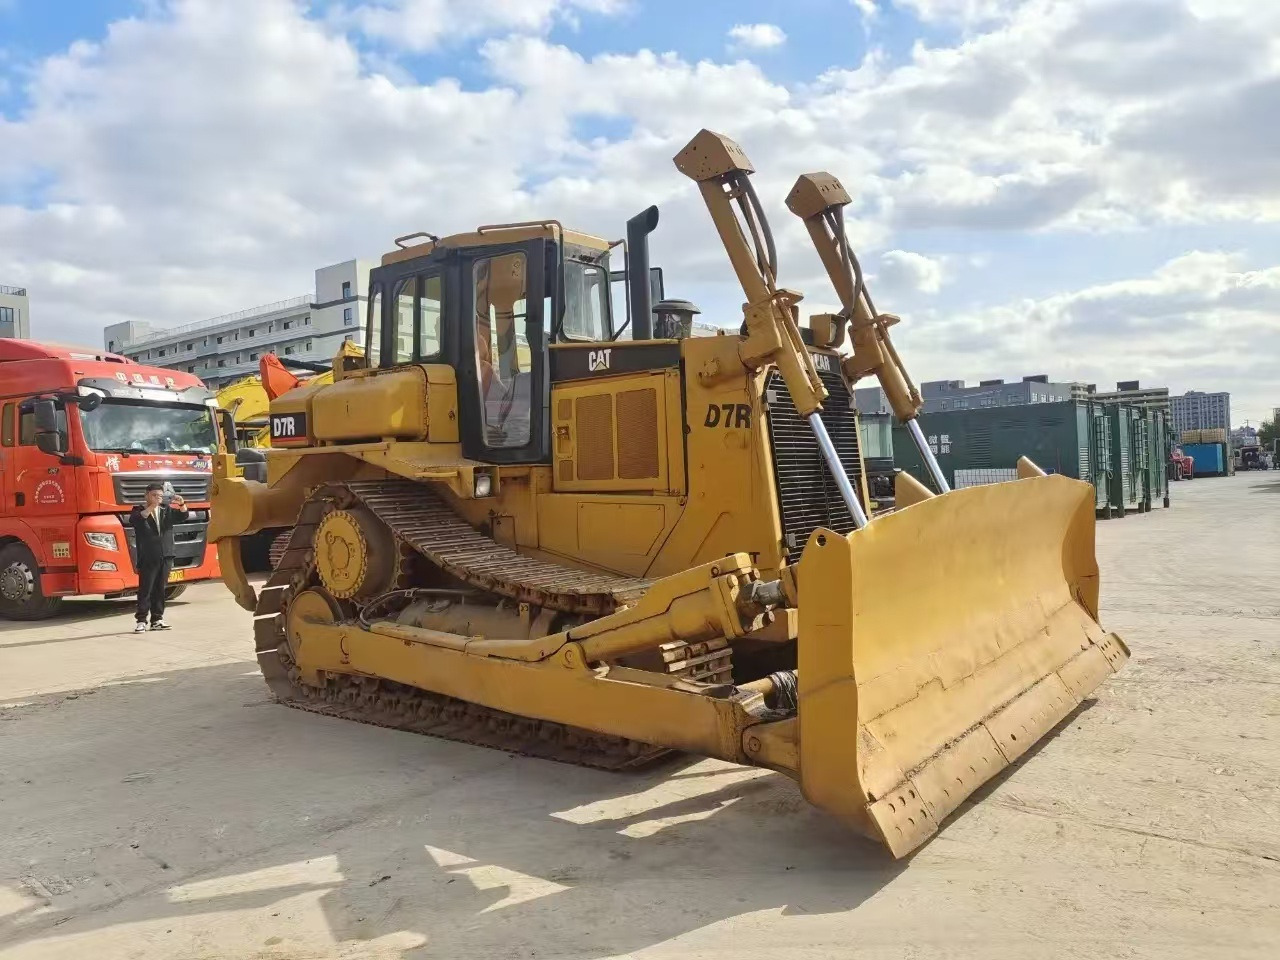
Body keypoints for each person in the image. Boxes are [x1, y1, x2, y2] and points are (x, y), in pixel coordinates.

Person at [129, 482, 187, 632]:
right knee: (146, 589)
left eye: (160, 496)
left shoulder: (166, 510)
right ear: (147, 495)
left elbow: (183, 516)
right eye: (154, 495)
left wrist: (182, 504)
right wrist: (151, 507)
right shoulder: (138, 510)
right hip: (148, 557)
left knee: (161, 589)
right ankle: (141, 620)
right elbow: (136, 521)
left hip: (166, 555)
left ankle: (157, 619)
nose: (158, 498)